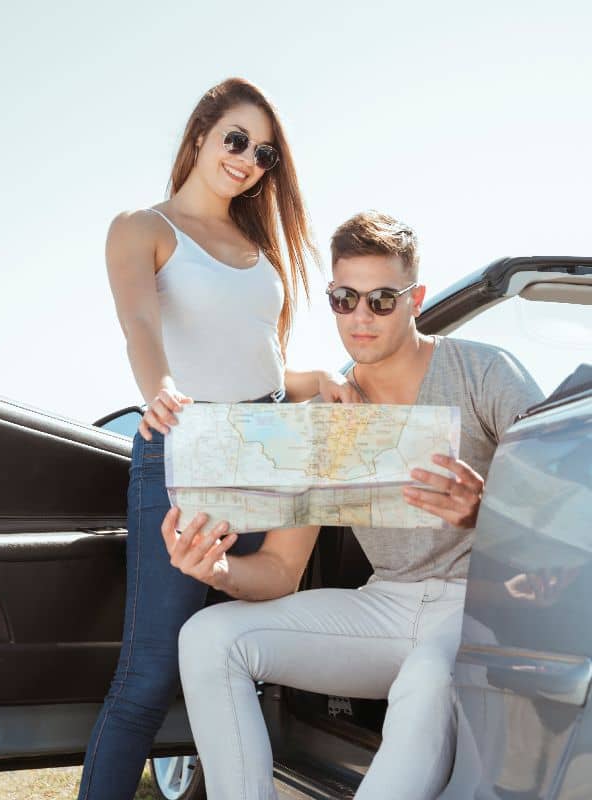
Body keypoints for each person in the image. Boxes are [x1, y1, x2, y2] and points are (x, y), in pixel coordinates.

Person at [162, 211, 545, 800]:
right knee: (208, 637)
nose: (360, 317)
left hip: (481, 604)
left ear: (415, 299)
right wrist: (217, 570)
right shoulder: (331, 413)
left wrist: (488, 509)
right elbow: (280, 572)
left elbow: (567, 498)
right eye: (344, 298)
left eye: (381, 299)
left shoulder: (482, 370)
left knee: (426, 677)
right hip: (386, 605)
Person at [77, 77, 358, 800]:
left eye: (264, 152)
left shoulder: (255, 245)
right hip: (187, 445)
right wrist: (158, 387)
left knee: (250, 658)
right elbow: (140, 324)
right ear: (201, 133)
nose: (248, 159)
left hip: (269, 446)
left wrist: (311, 379)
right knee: (148, 674)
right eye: (235, 138)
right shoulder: (142, 227)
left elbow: (256, 359)